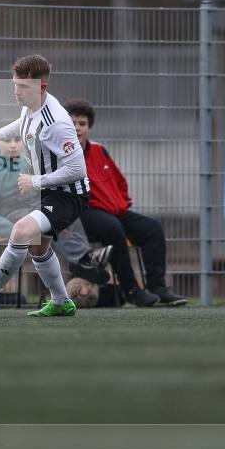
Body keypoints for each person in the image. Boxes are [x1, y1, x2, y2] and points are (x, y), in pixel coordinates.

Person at [0, 54, 90, 317]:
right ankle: (61, 302)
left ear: (41, 87)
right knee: (37, 247)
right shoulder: (31, 105)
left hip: (67, 195)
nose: (16, 91)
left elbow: (78, 169)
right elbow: (23, 122)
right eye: (15, 84)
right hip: (46, 190)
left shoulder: (57, 123)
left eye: (23, 87)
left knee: (22, 231)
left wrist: (36, 181)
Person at [0, 121, 111, 310]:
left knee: (60, 213)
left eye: (16, 139)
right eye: (6, 140)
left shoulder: (27, 162)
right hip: (11, 217)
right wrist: (15, 231)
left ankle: (83, 259)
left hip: (30, 209)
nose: (12, 144)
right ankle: (83, 260)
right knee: (44, 220)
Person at [64, 99, 187, 306]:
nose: (77, 128)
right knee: (114, 228)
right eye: (72, 123)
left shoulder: (99, 151)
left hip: (114, 211)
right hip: (82, 214)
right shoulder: (60, 153)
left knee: (152, 228)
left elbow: (120, 181)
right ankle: (131, 290)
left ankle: (158, 287)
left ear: (89, 127)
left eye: (82, 124)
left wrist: (120, 202)